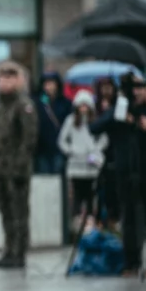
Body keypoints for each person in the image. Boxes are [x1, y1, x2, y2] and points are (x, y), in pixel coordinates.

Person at [91, 76, 146, 277]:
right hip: (125, 172)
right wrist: (116, 114)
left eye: (139, 88)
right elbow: (94, 128)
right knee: (128, 217)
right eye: (132, 89)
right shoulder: (118, 111)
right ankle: (131, 262)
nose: (136, 92)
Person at [0, 63, 39, 269]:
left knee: (19, 213)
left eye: (9, 78)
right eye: (2, 78)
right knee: (6, 212)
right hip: (0, 168)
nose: (5, 82)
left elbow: (29, 139)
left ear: (18, 81)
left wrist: (19, 166)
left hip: (17, 170)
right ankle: (9, 251)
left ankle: (19, 252)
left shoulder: (23, 105)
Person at [58, 91, 107, 227]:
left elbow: (104, 139)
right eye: (81, 105)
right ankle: (76, 222)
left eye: (86, 105)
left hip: (91, 166)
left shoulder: (95, 121)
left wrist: (96, 150)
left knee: (91, 196)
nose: (83, 108)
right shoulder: (70, 121)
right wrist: (71, 151)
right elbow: (62, 141)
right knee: (77, 196)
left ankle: (91, 222)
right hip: (76, 166)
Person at [35, 72, 72, 175]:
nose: (49, 87)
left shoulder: (65, 103)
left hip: (59, 147)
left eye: (51, 83)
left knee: (58, 176)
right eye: (46, 84)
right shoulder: (38, 102)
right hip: (42, 148)